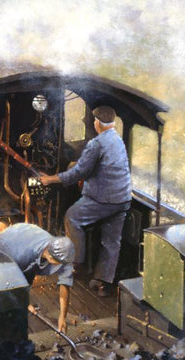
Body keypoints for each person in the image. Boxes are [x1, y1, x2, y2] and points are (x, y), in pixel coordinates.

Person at [40, 106, 131, 297]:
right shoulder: (117, 140)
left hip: (104, 200)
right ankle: (103, 282)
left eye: (93, 121)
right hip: (122, 199)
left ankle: (76, 265)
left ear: (97, 123)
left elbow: (78, 172)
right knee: (111, 241)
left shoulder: (97, 143)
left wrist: (50, 179)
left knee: (72, 217)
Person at [0, 222, 75, 333]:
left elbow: (65, 284)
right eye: (58, 263)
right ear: (50, 256)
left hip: (28, 248)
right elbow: (9, 280)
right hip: (3, 249)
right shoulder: (22, 255)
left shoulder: (65, 254)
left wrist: (62, 316)